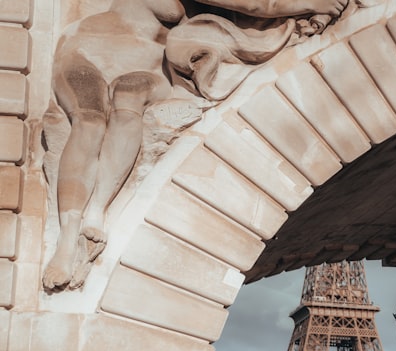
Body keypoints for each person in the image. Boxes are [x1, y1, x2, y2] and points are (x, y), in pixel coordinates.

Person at [43, 0, 350, 292]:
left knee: (127, 98)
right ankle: (68, 238)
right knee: (90, 121)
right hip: (93, 46)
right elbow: (254, 5)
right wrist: (310, 4)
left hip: (150, 59)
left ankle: (97, 210)